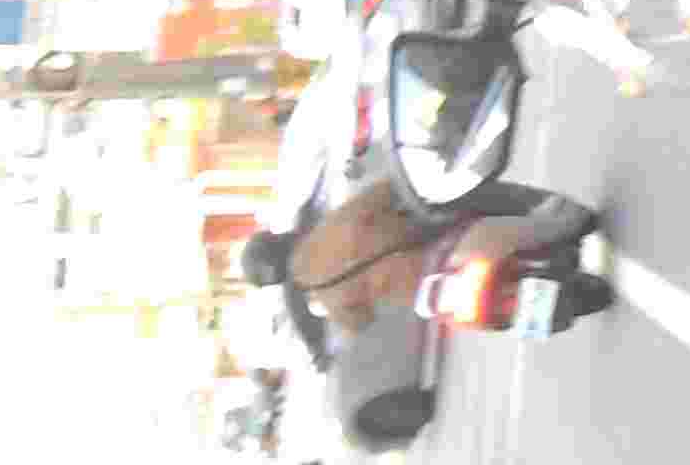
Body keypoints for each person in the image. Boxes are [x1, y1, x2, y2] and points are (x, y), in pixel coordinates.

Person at [237, 175, 602, 449]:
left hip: (433, 291)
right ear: (280, 240)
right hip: (438, 245)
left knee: (483, 312)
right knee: (473, 193)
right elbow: (385, 191)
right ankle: (562, 216)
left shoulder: (323, 295)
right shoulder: (330, 226)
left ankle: (542, 290)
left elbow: (361, 323)